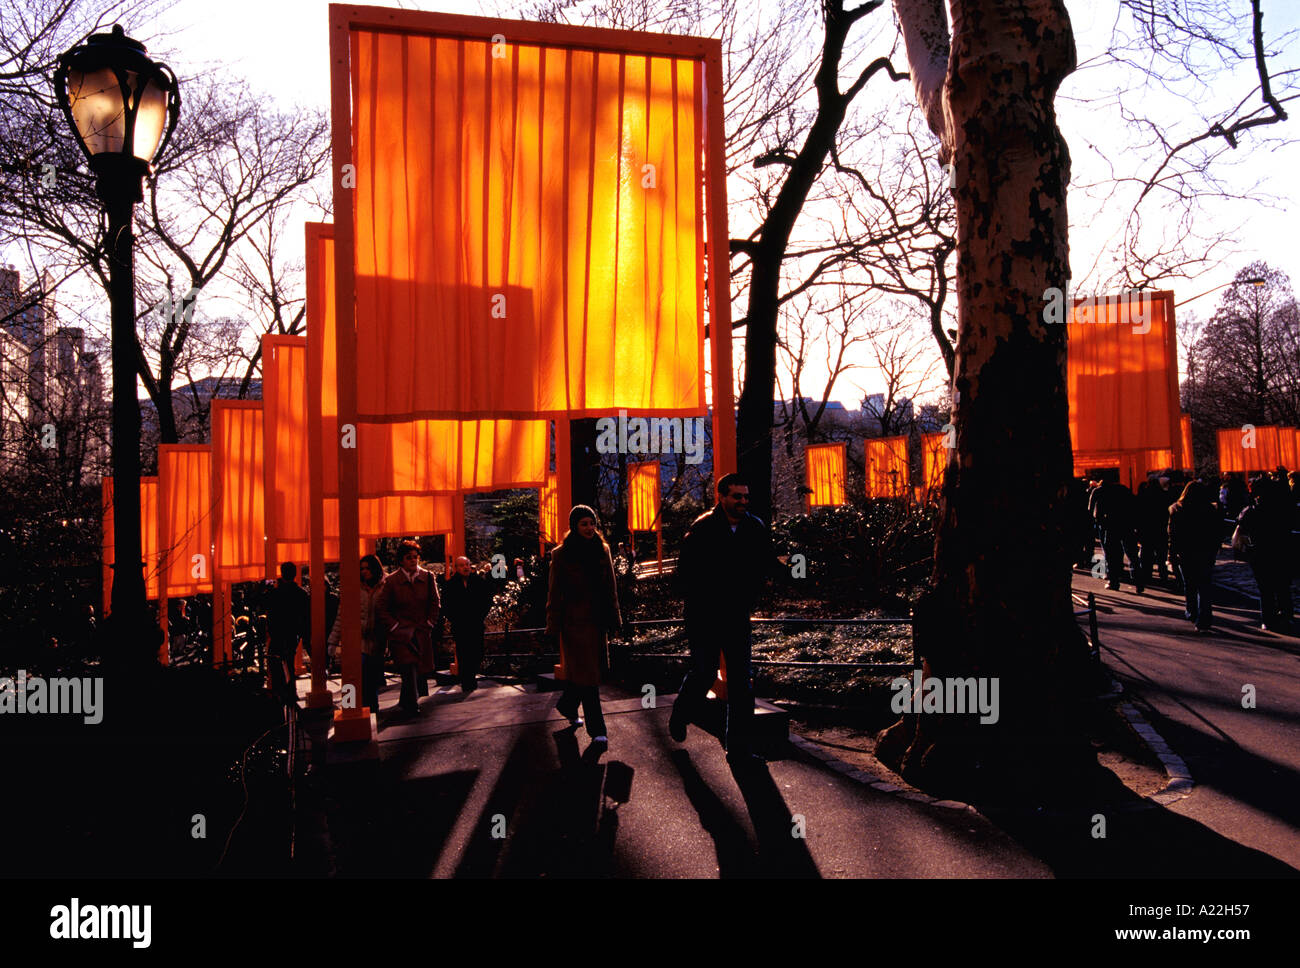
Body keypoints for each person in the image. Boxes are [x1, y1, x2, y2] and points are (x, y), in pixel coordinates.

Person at [668, 473, 783, 767]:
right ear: (721, 497)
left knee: (742, 682)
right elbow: (684, 576)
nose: (743, 501)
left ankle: (740, 748)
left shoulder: (754, 528)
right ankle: (681, 714)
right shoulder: (702, 529)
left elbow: (769, 563)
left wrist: (800, 573)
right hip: (704, 616)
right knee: (704, 673)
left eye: (746, 496)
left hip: (736, 616)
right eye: (737, 496)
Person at [546, 506, 622, 745]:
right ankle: (597, 729)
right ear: (574, 526)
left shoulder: (603, 550)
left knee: (587, 673)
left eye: (592, 523)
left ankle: (567, 705)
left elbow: (611, 586)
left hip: (597, 621)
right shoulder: (561, 554)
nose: (590, 528)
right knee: (589, 676)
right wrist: (553, 625)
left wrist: (615, 618)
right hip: (574, 623)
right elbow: (554, 593)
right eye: (584, 524)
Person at [376, 540, 440, 715]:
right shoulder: (391, 581)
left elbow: (435, 602)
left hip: (421, 631)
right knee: (408, 666)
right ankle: (412, 705)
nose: (413, 560)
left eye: (415, 557)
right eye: (408, 557)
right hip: (401, 634)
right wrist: (395, 626)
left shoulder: (427, 577)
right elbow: (382, 607)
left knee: (416, 669)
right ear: (401, 560)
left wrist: (429, 623)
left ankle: (406, 700)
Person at [328, 554, 387, 712]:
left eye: (367, 568)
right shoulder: (353, 588)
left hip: (376, 641)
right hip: (355, 640)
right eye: (361, 569)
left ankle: (371, 710)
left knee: (371, 679)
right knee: (351, 678)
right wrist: (333, 641)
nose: (364, 572)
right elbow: (341, 616)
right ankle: (348, 707)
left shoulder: (385, 586)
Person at [1235, 477, 1294, 633]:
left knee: (1265, 589)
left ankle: (1268, 619)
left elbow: (1242, 524)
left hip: (1260, 552)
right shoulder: (1282, 507)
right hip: (1281, 550)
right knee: (1282, 586)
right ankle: (1287, 616)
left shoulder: (1253, 509)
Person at [1168, 480, 1222, 633]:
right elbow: (1217, 531)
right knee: (1204, 585)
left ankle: (1191, 611)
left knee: (1189, 584)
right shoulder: (1210, 510)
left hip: (1186, 551)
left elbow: (1172, 535)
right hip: (1205, 551)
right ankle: (1205, 617)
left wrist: (1171, 553)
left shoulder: (1177, 509)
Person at [440, 556, 493, 694]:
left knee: (477, 651)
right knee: (463, 653)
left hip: (476, 622)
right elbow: (446, 605)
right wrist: (455, 618)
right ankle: (467, 681)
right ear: (456, 568)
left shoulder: (479, 582)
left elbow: (487, 601)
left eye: (467, 564)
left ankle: (471, 675)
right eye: (462, 565)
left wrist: (480, 616)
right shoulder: (450, 585)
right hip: (460, 625)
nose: (466, 567)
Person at [1089, 474, 1143, 593]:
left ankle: (1114, 582)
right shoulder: (1123, 489)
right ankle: (1138, 581)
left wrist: (1097, 521)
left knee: (1111, 554)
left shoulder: (1098, 491)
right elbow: (1135, 504)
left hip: (1109, 525)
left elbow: (1091, 509)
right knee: (1132, 554)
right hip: (1126, 524)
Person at [266, 561, 310, 702]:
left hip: (278, 632)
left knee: (275, 661)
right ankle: (291, 690)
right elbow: (305, 615)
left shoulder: (275, 593)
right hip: (293, 632)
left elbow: (267, 609)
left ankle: (279, 690)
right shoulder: (301, 594)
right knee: (289, 661)